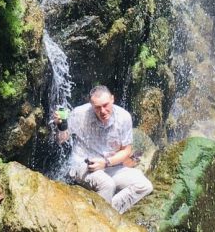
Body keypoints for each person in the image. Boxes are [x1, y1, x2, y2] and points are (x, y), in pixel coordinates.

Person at [53, 85, 153, 213]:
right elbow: (61, 139)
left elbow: (127, 151)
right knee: (107, 185)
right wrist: (62, 126)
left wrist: (106, 163)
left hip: (111, 166)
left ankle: (107, 213)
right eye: (97, 107)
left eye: (105, 105)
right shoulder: (80, 113)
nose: (103, 111)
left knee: (144, 186)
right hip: (84, 164)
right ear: (91, 105)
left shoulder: (124, 117)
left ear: (112, 99)